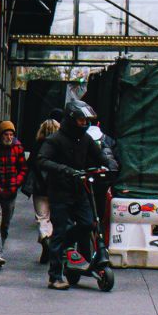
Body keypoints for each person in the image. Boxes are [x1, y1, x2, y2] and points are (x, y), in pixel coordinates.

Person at [35, 101, 110, 290]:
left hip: (79, 190)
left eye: (86, 120)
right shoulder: (55, 139)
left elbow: (100, 156)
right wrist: (64, 169)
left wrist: (110, 164)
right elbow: (41, 160)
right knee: (60, 231)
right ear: (71, 119)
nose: (84, 123)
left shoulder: (85, 139)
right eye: (81, 120)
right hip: (60, 192)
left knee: (88, 223)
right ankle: (55, 277)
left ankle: (60, 244)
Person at [0, 120, 27, 268]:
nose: (9, 137)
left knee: (5, 225)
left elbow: (23, 169)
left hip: (11, 192)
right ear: (1, 135)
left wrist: (16, 183)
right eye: (6, 134)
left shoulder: (17, 148)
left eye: (11, 134)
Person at [28, 119, 60, 264]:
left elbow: (30, 164)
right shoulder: (59, 146)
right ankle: (49, 241)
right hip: (55, 187)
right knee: (53, 218)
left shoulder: (37, 145)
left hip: (39, 188)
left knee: (42, 217)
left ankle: (45, 238)